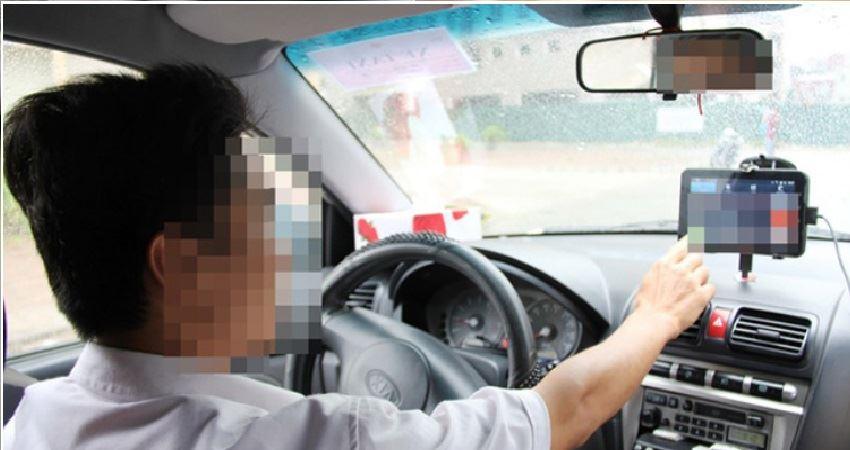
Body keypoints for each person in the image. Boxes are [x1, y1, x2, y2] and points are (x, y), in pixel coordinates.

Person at [1, 65, 714, 450]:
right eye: (264, 222)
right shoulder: (311, 437)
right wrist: (655, 316)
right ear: (183, 265)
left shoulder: (33, 421)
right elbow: (567, 409)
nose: (292, 249)